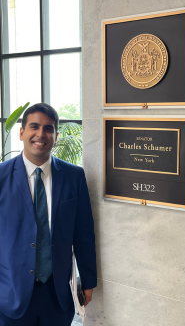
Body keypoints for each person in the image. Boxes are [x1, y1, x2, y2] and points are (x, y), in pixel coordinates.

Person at [0, 103, 97, 325]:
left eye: (49, 128)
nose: (40, 134)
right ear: (22, 132)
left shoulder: (74, 176)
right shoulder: (2, 177)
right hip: (10, 295)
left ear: (56, 135)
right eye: (34, 127)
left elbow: (84, 234)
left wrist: (88, 281)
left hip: (57, 294)